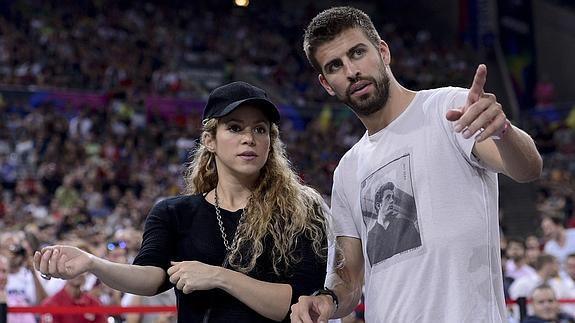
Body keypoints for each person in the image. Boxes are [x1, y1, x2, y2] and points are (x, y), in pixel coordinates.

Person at [290, 6, 542, 322]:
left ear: (383, 52)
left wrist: (504, 131)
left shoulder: (447, 108)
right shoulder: (347, 171)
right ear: (327, 84)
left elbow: (528, 168)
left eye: (357, 53)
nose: (351, 70)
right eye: (335, 66)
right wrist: (327, 300)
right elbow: (350, 279)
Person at [34, 81, 330, 322]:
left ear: (270, 142)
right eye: (235, 127)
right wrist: (93, 263)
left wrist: (218, 276)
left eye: (260, 129)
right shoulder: (174, 212)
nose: (249, 138)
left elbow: (297, 303)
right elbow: (150, 278)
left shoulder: (301, 211)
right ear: (210, 140)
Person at [365, 181, 420, 264]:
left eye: (393, 197)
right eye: (388, 197)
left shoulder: (407, 225)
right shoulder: (370, 238)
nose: (392, 201)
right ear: (378, 205)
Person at [40, 273, 106, 323]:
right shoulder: (50, 305)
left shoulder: (94, 304)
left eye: (82, 270)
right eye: (72, 268)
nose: (78, 273)